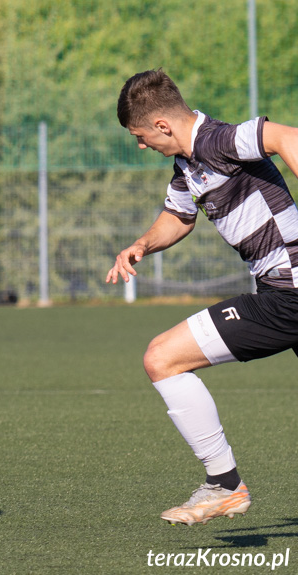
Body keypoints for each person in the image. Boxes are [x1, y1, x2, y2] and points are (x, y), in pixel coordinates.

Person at [107, 68, 298, 526]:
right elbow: (178, 217)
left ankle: (224, 486)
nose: (140, 145)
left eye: (139, 136)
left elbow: (287, 135)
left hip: (289, 291)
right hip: (280, 288)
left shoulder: (216, 140)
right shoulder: (188, 165)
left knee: (162, 358)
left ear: (162, 127)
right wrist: (141, 245)